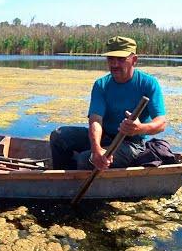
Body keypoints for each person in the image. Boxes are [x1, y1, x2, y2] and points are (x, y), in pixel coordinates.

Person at [49, 36, 167, 170]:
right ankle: (63, 179)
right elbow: (95, 121)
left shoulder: (148, 84)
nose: (114, 64)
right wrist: (96, 149)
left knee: (84, 160)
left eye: (121, 59)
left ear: (134, 60)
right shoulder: (101, 85)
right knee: (59, 136)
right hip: (105, 136)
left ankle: (77, 174)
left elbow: (161, 123)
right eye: (111, 59)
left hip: (131, 143)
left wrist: (139, 128)